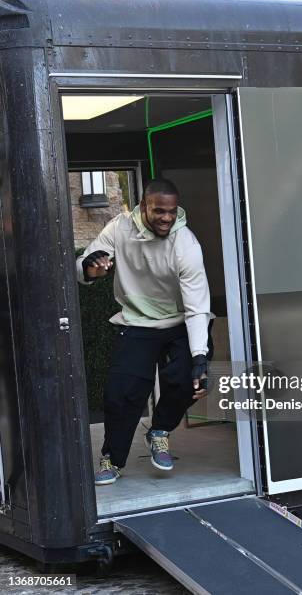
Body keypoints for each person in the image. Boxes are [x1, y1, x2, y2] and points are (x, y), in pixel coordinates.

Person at [76, 178, 211, 485]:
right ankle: (112, 458)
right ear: (143, 206)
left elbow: (197, 306)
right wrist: (90, 268)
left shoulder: (185, 244)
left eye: (172, 211)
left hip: (179, 321)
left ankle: (160, 431)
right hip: (136, 322)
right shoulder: (120, 228)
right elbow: (86, 263)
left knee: (192, 378)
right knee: (121, 394)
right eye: (159, 210)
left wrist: (199, 356)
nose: (166, 218)